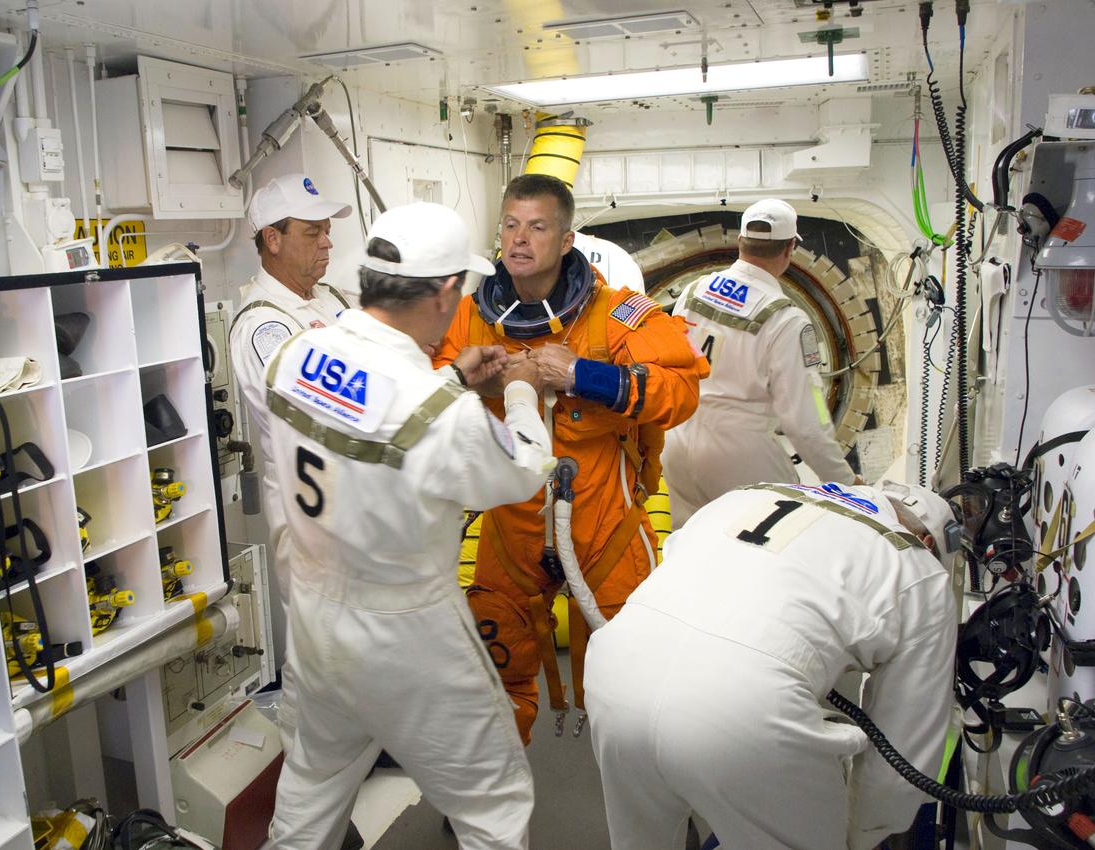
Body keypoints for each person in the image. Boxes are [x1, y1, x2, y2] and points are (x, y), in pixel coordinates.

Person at [264, 201, 554, 850]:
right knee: (494, 804)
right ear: (447, 291)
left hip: (315, 619)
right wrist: (523, 391)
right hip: (405, 633)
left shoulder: (293, 355)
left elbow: (372, 417)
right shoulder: (432, 407)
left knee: (309, 797)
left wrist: (450, 379)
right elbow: (520, 471)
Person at [434, 173, 710, 743]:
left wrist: (582, 374)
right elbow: (425, 388)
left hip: (601, 523)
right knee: (494, 669)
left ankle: (652, 788)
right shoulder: (470, 317)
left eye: (537, 227)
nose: (519, 240)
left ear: (566, 241)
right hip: (511, 525)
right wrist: (471, 381)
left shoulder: (618, 313)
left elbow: (680, 392)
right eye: (510, 225)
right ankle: (490, 791)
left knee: (634, 676)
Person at [585, 480, 958, 850]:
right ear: (928, 542)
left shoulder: (749, 494)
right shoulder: (919, 567)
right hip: (745, 704)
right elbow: (902, 755)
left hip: (617, 667)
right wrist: (862, 835)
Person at [662, 198, 859, 528]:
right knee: (784, 541)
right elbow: (806, 419)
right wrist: (845, 484)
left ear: (740, 241)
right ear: (789, 249)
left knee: (691, 550)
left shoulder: (693, 291)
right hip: (739, 455)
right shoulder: (786, 319)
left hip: (677, 445)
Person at [229, 172, 355, 602]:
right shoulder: (264, 324)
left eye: (327, 231)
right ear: (273, 239)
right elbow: (326, 409)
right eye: (312, 232)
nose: (327, 243)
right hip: (316, 521)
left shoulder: (330, 299)